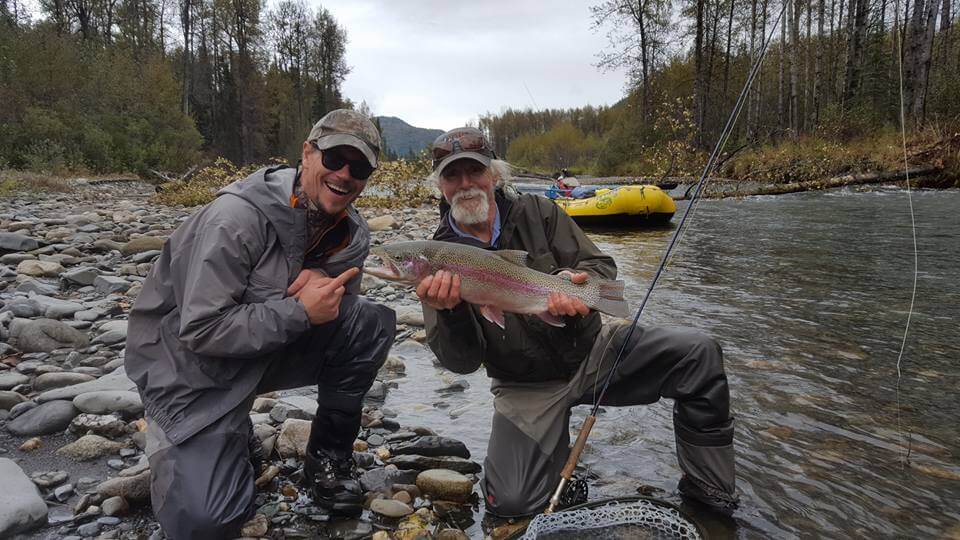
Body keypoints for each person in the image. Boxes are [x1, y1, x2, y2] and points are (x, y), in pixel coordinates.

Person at [417, 127, 739, 518]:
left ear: (495, 175)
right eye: (452, 175)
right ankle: (557, 471)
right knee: (512, 504)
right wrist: (450, 313)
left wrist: (577, 283)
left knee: (698, 354)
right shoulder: (436, 259)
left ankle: (709, 493)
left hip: (594, 354)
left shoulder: (540, 212)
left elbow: (601, 267)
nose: (466, 184)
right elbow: (462, 363)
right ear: (440, 186)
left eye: (475, 171)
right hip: (524, 385)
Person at [125, 109, 396, 539]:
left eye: (359, 167)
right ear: (307, 154)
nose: (344, 175)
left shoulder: (353, 234)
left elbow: (337, 318)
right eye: (334, 159)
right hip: (187, 372)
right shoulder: (235, 219)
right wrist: (299, 309)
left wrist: (322, 286)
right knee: (207, 523)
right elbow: (200, 330)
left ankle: (327, 462)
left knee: (369, 322)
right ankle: (213, 436)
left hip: (257, 354)